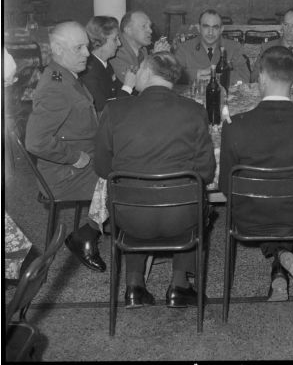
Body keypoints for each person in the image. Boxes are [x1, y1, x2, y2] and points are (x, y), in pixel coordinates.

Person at [94, 52, 216, 309]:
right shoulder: (194, 111)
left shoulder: (114, 109)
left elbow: (103, 169)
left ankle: (134, 286)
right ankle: (180, 286)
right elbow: (205, 172)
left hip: (128, 217)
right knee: (194, 197)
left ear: (147, 73)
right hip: (181, 217)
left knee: (133, 194)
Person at [219, 46, 293, 302]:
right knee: (285, 204)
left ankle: (281, 262)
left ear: (260, 78)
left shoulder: (235, 127)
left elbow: (226, 187)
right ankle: (284, 259)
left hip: (248, 219)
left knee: (269, 204)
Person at [25, 21, 106, 273]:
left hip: (84, 157)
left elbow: (84, 120)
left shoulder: (66, 75)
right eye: (79, 48)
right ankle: (87, 234)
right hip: (64, 174)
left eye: (87, 46)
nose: (86, 53)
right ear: (58, 49)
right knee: (123, 179)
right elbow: (35, 141)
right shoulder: (55, 87)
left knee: (130, 162)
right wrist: (73, 157)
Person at [174, 9, 250, 85]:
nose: (210, 32)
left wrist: (215, 77)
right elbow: (173, 75)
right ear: (199, 28)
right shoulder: (184, 48)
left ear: (221, 29)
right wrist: (196, 74)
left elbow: (245, 77)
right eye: (206, 26)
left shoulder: (234, 47)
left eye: (215, 27)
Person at [80, 16, 135, 114]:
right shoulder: (88, 72)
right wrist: (127, 86)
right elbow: (104, 110)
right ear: (100, 40)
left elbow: (116, 94)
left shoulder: (105, 63)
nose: (119, 44)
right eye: (115, 39)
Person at [110, 10, 170, 86]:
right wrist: (155, 58)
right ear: (128, 30)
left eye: (150, 26)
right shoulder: (117, 52)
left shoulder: (143, 50)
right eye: (144, 26)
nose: (150, 31)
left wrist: (164, 57)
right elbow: (136, 85)